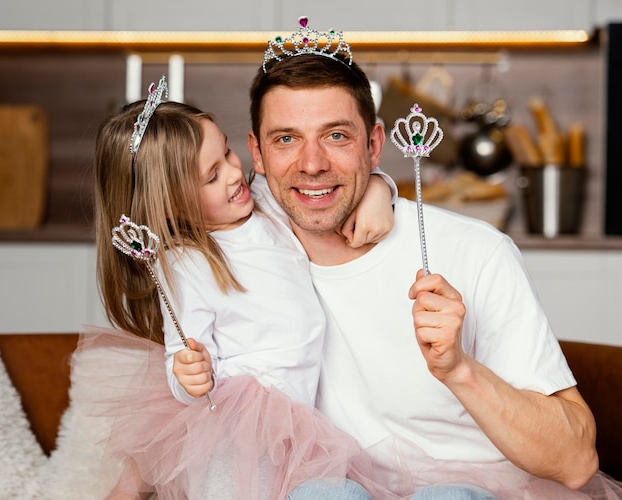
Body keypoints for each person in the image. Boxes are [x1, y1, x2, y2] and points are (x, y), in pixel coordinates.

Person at [246, 18, 622, 500]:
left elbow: (574, 461)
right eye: (286, 138)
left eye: (336, 136)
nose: (312, 162)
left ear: (374, 144)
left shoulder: (475, 251)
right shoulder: (243, 248)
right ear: (257, 153)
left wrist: (459, 368)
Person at [84, 76, 398, 499]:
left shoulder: (266, 200)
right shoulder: (188, 262)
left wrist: (380, 189)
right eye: (212, 176)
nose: (235, 173)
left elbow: (335, 187)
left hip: (299, 419)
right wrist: (187, 375)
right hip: (237, 426)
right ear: (171, 203)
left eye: (227, 152)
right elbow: (184, 355)